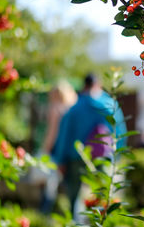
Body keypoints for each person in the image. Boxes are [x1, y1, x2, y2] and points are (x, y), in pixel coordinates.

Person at [51, 73, 127, 216]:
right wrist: (119, 156)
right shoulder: (111, 105)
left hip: (77, 157)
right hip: (104, 157)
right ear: (98, 85)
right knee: (103, 197)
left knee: (74, 197)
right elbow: (121, 132)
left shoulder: (75, 108)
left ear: (84, 86)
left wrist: (60, 160)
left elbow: (64, 135)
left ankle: (75, 223)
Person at [40, 80, 77, 213]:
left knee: (50, 185)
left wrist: (45, 150)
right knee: (71, 187)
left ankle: (44, 213)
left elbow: (52, 133)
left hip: (56, 150)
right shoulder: (72, 108)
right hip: (71, 151)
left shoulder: (55, 108)